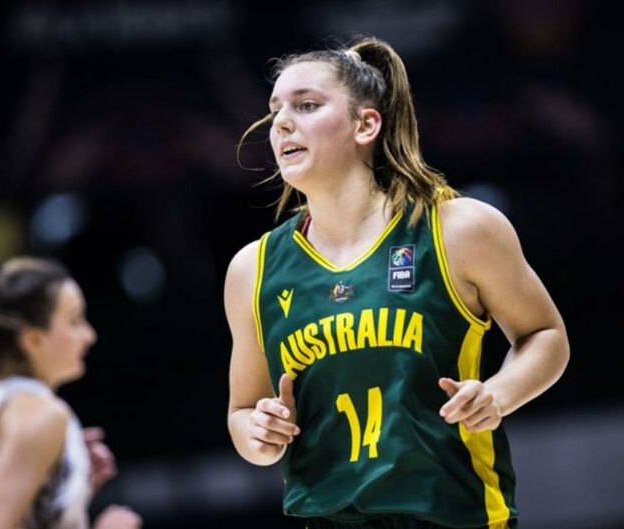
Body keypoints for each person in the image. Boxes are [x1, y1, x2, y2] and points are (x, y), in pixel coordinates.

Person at [225, 36, 570, 529]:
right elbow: (242, 411)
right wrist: (258, 433)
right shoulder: (251, 269)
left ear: (366, 124)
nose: (281, 122)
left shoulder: (459, 228)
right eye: (276, 108)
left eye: (306, 105)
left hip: (454, 516)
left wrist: (498, 394)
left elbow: (546, 336)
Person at [0, 246, 142, 529]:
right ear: (32, 340)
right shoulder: (44, 415)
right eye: (74, 320)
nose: (89, 336)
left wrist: (58, 489)